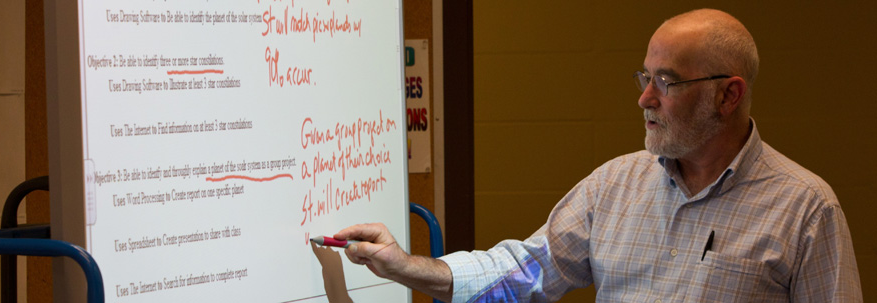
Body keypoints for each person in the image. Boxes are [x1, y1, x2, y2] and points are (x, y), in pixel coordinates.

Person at [335, 8, 862, 302]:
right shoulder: (615, 185)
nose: (644, 99)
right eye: (644, 77)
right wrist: (406, 267)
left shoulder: (806, 210)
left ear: (729, 95)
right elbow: (524, 272)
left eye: (666, 82)